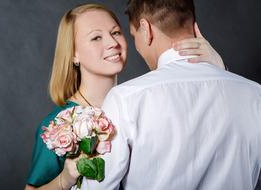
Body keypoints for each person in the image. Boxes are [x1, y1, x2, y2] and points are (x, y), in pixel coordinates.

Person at [25, 3, 226, 190]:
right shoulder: (58, 126)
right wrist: (64, 180)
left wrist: (219, 69)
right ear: (74, 54)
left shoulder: (143, 102)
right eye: (96, 37)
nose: (112, 42)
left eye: (116, 33)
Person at [80, 0, 261, 190]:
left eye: (134, 36)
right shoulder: (254, 94)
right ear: (193, 25)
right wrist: (224, 72)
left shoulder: (125, 99)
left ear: (146, 29)